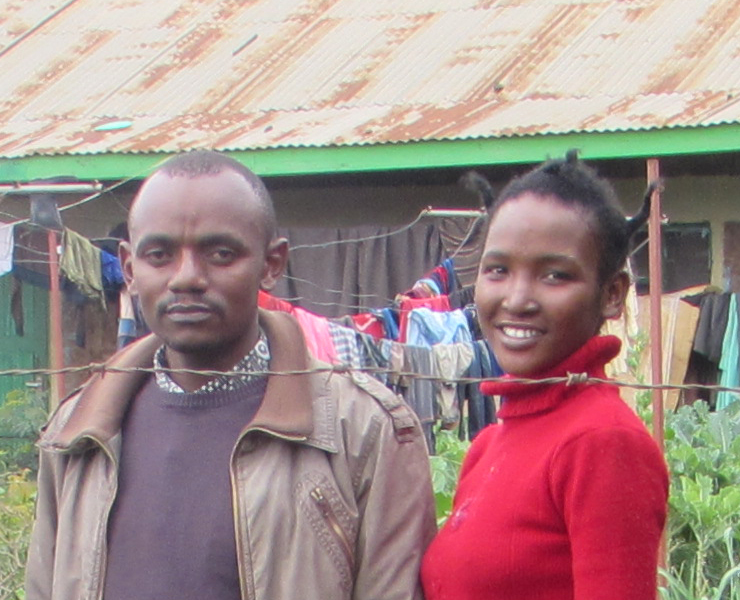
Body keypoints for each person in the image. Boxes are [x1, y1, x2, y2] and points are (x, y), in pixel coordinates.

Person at [25, 150, 437, 600]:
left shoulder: (362, 430)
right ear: (129, 268)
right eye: (159, 255)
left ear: (272, 263)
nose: (186, 278)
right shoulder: (76, 434)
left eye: (220, 253)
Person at [421, 151, 669, 600]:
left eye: (555, 275)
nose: (516, 299)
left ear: (611, 294)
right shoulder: (489, 445)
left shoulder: (602, 442)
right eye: (497, 270)